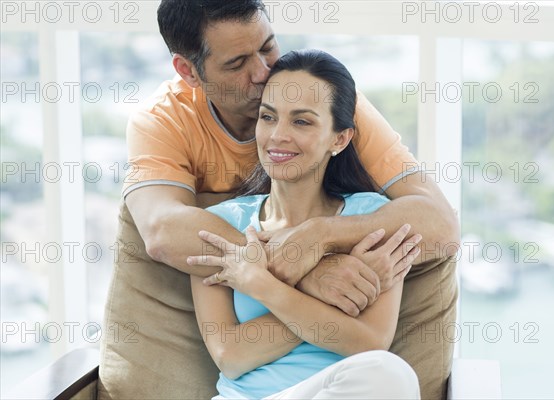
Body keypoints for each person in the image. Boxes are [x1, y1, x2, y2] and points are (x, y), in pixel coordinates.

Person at [98, 1, 459, 399]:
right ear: (189, 71)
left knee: (388, 375)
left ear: (339, 138)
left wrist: (318, 237)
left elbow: (440, 225)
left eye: (268, 47)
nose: (263, 72)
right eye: (237, 64)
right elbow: (165, 233)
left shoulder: (327, 100)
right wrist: (308, 273)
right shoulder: (169, 131)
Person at [190, 48, 421, 400]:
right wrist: (322, 292)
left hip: (343, 391)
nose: (278, 135)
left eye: (301, 121)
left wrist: (262, 285)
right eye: (268, 117)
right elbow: (231, 356)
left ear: (339, 139)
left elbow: (368, 344)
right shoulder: (222, 225)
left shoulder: (371, 220)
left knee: (389, 375)